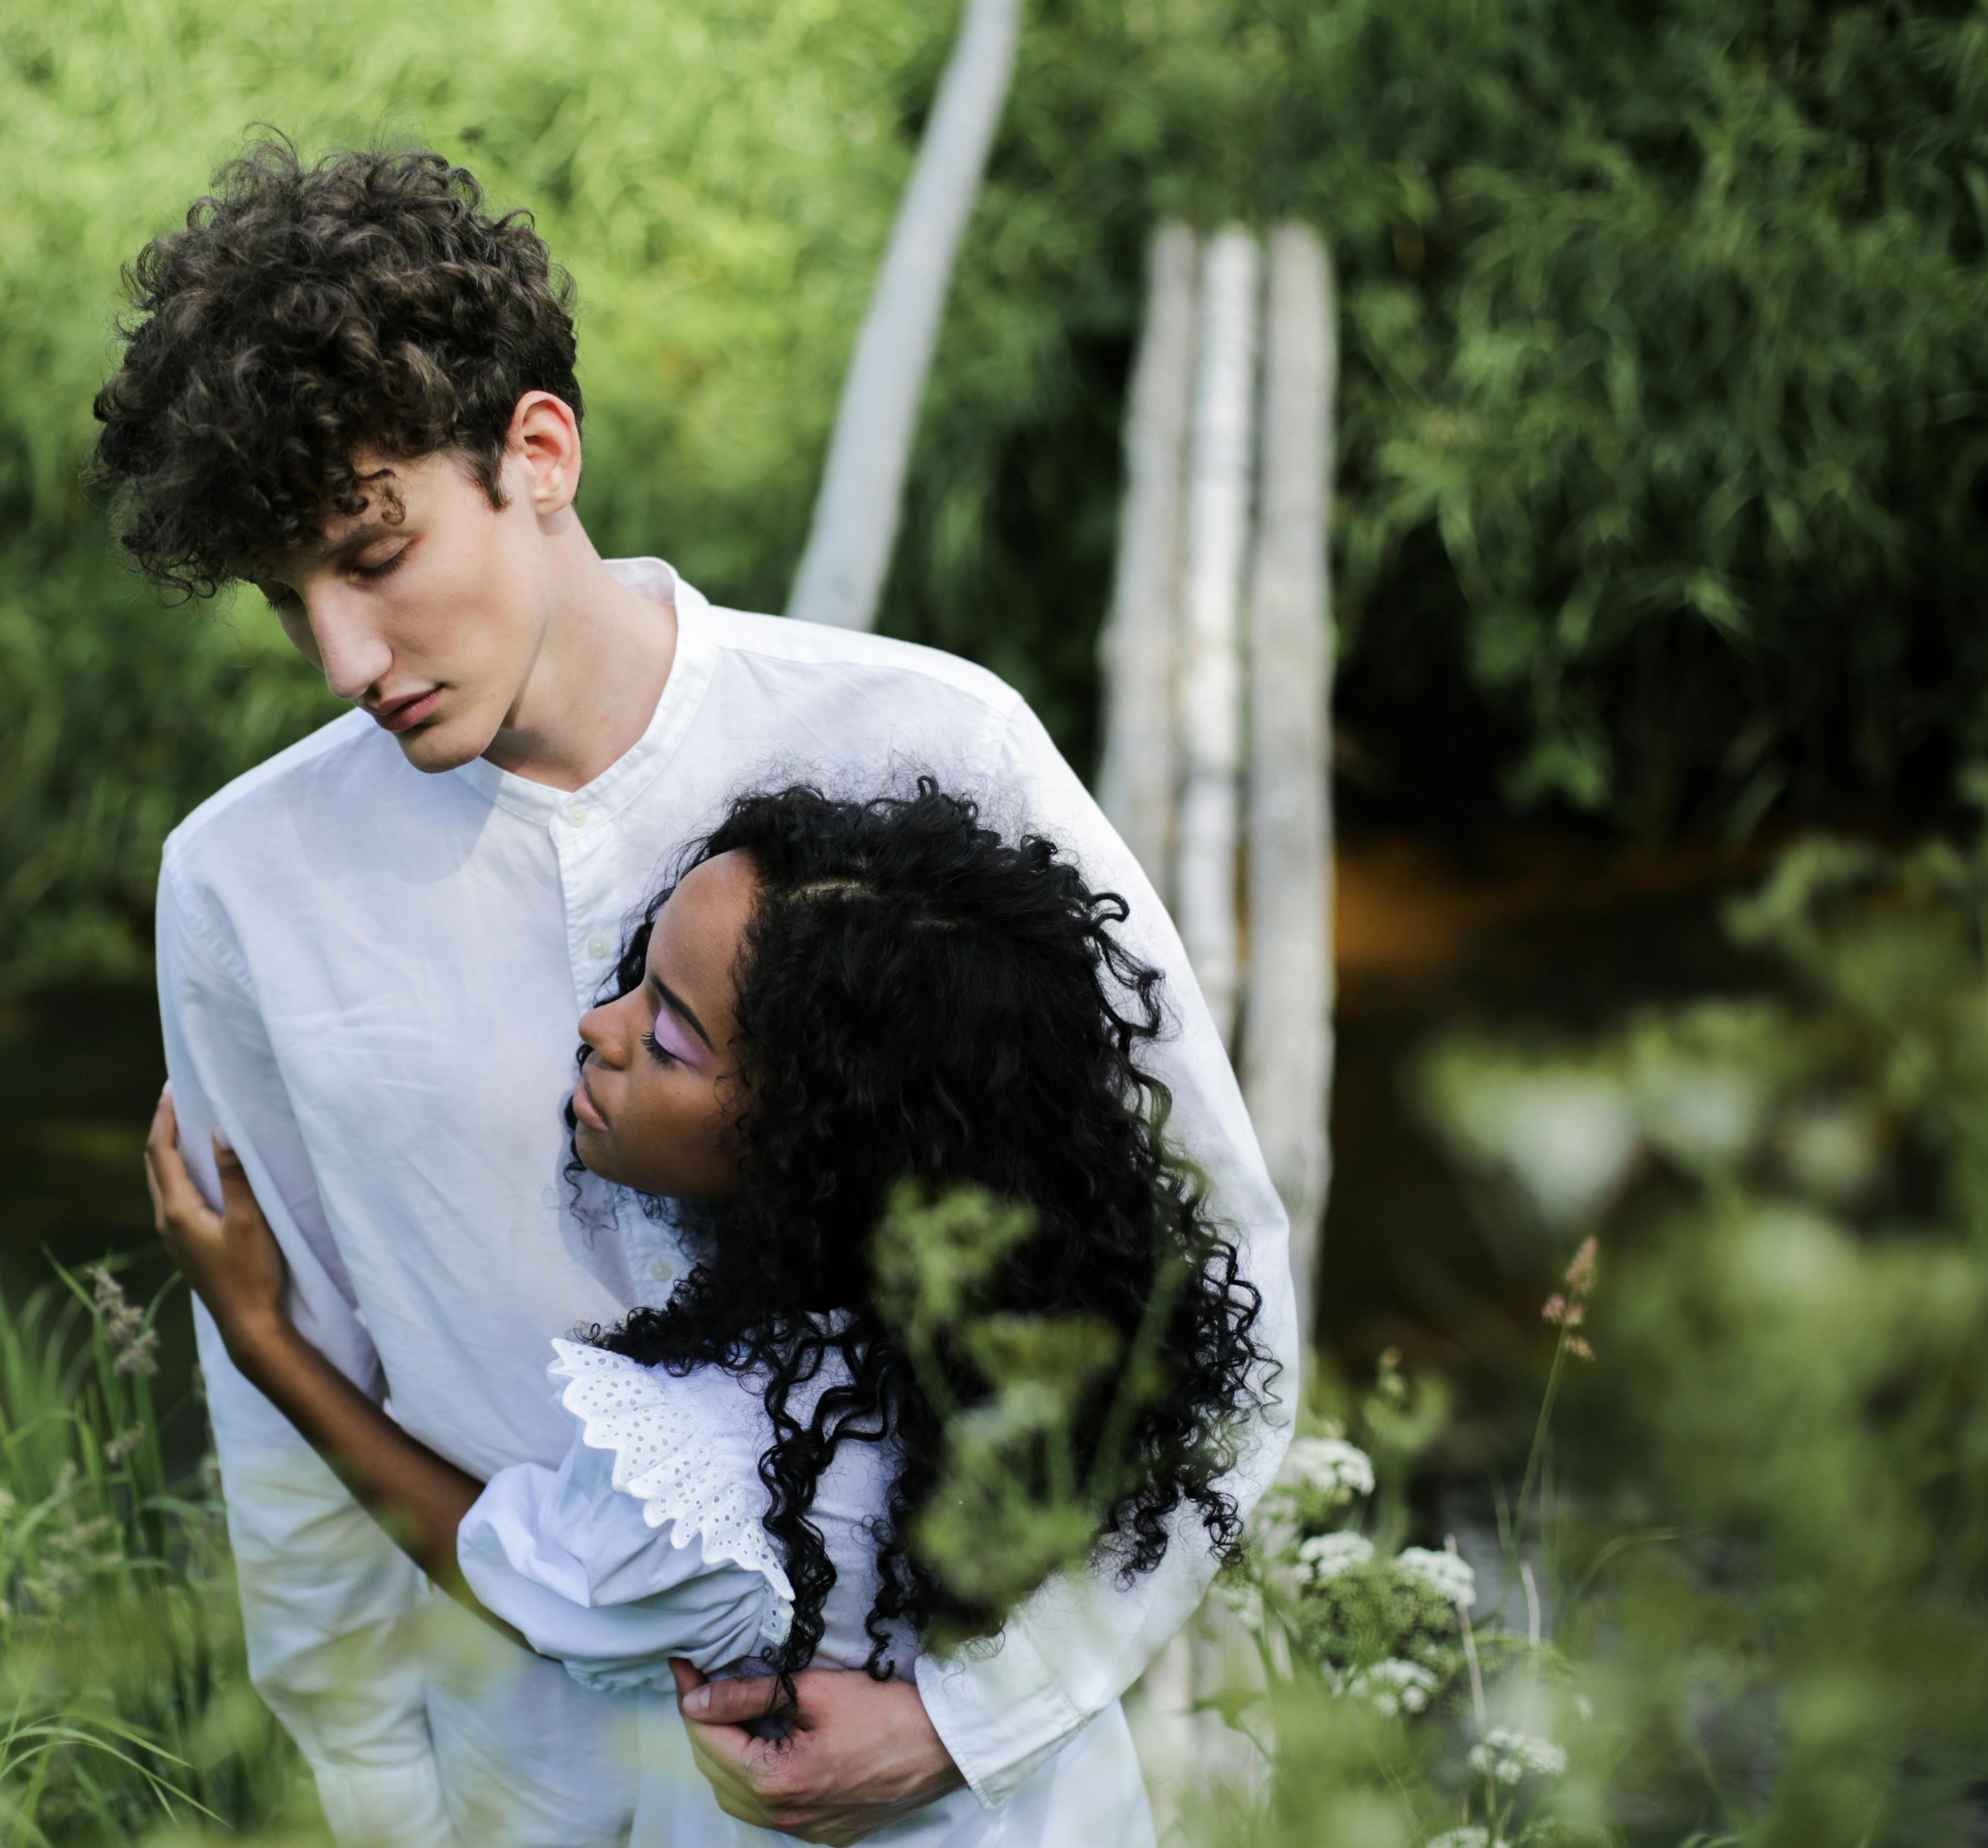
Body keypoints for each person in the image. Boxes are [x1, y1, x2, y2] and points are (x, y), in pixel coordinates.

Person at [93, 140, 1296, 1845]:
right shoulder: (240, 889)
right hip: (531, 1799)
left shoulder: (926, 746)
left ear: (537, 449)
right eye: (288, 599)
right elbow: (284, 1417)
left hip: (978, 1804)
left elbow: (1210, 1267)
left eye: (371, 552)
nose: (344, 659)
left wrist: (970, 1713)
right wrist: (379, 1802)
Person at [145, 780, 1273, 1846]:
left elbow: (507, 1574)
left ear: (809, 1146)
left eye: (668, 1036)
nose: (598, 1023)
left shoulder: (710, 1461)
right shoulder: (1031, 1347)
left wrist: (265, 1343)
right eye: (637, 976)